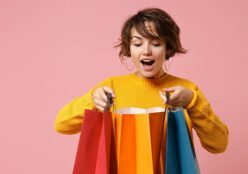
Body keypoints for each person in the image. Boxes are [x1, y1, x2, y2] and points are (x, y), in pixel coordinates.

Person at [55, 8, 228, 154]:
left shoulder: (186, 90)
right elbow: (62, 125)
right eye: (138, 44)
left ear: (168, 47)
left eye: (156, 43)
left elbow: (218, 145)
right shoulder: (112, 87)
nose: (146, 51)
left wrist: (192, 102)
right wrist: (92, 100)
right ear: (129, 48)